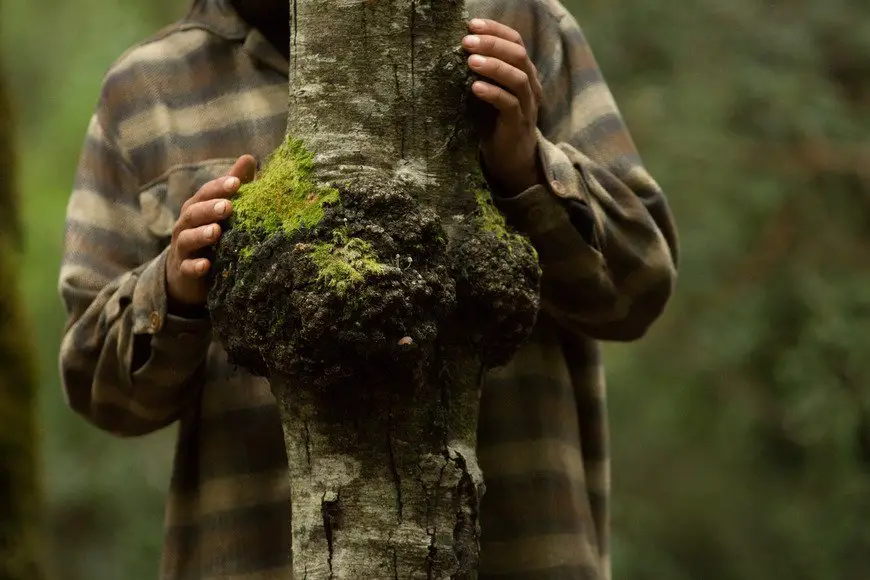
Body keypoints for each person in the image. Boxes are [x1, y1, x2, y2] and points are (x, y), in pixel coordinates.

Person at [59, 0, 678, 577]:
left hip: (517, 548)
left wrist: (525, 165)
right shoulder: (146, 91)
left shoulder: (513, 27)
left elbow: (639, 284)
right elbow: (98, 390)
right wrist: (175, 284)